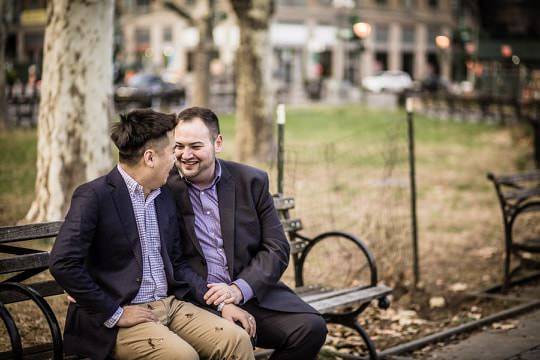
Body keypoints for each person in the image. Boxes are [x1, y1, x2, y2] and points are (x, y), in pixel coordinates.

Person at [50, 109, 255, 360]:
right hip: (119, 317)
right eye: (172, 151)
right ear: (150, 157)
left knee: (237, 340)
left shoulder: (164, 196)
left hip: (169, 305)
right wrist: (115, 313)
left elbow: (177, 265)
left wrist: (223, 304)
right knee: (183, 357)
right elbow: (63, 262)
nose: (177, 158)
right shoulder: (95, 196)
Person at [166, 107, 328, 360]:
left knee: (310, 328)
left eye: (195, 146)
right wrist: (220, 302)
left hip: (249, 293)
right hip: (195, 301)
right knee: (226, 341)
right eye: (179, 146)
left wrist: (238, 290)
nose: (186, 155)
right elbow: (172, 262)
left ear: (217, 143)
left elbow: (277, 247)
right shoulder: (164, 189)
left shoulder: (250, 181)